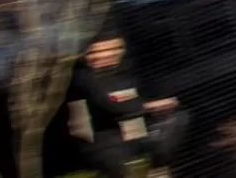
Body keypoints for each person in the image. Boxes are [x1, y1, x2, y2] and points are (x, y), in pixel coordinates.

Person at [65, 30, 187, 178]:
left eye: (114, 49)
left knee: (177, 119)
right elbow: (110, 105)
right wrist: (147, 106)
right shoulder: (83, 78)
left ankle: (158, 169)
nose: (108, 55)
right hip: (104, 142)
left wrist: (147, 107)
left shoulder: (124, 74)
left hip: (133, 134)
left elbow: (130, 101)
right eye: (101, 51)